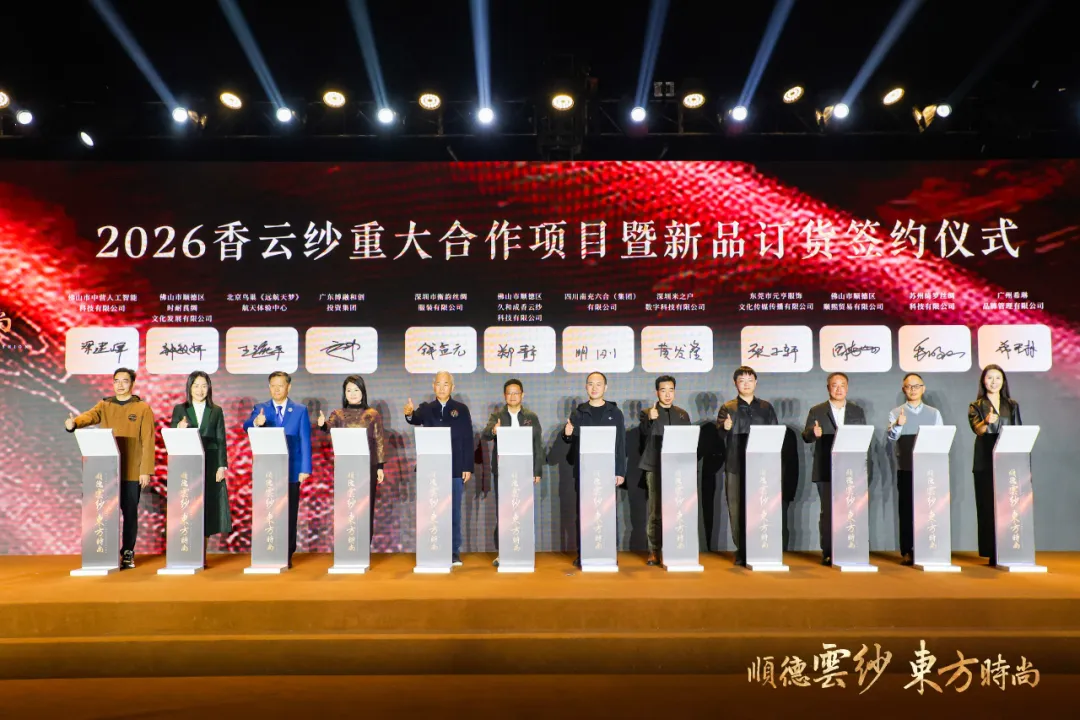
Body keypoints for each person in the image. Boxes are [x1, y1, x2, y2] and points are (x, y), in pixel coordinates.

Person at [64, 367, 155, 570]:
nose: (120, 385)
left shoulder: (142, 408)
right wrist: (73, 423)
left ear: (132, 383)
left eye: (125, 381)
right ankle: (105, 551)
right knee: (105, 512)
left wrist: (145, 470)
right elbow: (89, 417)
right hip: (107, 471)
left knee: (129, 513)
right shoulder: (105, 405)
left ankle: (128, 552)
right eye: (116, 381)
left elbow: (148, 441)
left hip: (132, 471)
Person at [243, 371, 312, 569]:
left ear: (288, 387)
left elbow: (305, 440)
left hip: (291, 470)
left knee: (289, 513)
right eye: (273, 385)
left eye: (280, 385)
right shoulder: (261, 409)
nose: (276, 389)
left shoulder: (299, 410)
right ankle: (267, 550)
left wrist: (305, 468)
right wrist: (256, 423)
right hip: (268, 471)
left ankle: (286, 552)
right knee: (268, 511)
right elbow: (246, 426)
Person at [405, 371, 473, 566]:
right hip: (431, 469)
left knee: (453, 512)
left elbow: (468, 438)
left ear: (452, 387)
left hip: (455, 468)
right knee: (432, 511)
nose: (442, 388)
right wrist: (409, 414)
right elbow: (415, 418)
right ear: (433, 386)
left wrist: (467, 466)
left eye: (446, 384)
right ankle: (431, 549)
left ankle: (453, 552)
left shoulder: (461, 409)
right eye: (438, 384)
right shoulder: (427, 408)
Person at [801, 372, 867, 566]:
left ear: (847, 387)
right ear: (828, 388)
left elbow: (862, 437)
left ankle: (850, 548)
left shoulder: (856, 411)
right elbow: (806, 437)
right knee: (829, 512)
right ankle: (829, 552)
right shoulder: (817, 410)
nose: (838, 389)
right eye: (834, 385)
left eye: (842, 385)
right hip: (825, 468)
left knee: (851, 510)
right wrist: (813, 433)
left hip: (851, 469)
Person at [562, 371, 626, 568]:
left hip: (608, 471)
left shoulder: (615, 413)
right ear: (586, 387)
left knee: (607, 512)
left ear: (605, 387)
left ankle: (609, 553)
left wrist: (620, 471)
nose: (595, 387)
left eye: (599, 384)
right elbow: (570, 440)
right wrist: (567, 434)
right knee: (585, 513)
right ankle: (584, 554)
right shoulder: (579, 412)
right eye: (591, 384)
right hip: (585, 471)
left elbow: (620, 443)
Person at [716, 366, 779, 567]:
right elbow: (719, 436)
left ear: (756, 382)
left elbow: (775, 435)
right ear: (735, 384)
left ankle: (761, 547)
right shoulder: (728, 408)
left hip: (761, 467)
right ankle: (742, 550)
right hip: (735, 465)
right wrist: (724, 428)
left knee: (761, 507)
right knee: (736, 509)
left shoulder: (766, 408)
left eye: (750, 380)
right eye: (741, 381)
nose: (746, 384)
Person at [169, 371, 232, 567]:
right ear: (189, 388)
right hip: (187, 464)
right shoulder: (180, 409)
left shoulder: (216, 410)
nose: (200, 390)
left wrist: (222, 466)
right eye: (196, 385)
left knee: (206, 507)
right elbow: (171, 437)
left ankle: (200, 555)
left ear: (209, 388)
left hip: (210, 463)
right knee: (188, 505)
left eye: (204, 386)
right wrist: (178, 429)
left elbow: (221, 439)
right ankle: (186, 552)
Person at [481, 378, 543, 568]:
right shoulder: (497, 416)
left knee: (523, 511)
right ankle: (504, 552)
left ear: (522, 395)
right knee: (505, 511)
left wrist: (537, 470)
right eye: (509, 393)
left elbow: (537, 445)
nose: (513, 396)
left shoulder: (531, 417)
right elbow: (485, 435)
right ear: (504, 396)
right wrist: (494, 430)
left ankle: (524, 550)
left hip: (525, 470)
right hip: (503, 471)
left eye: (516, 393)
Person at [317, 375, 386, 546]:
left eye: (356, 390)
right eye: (349, 390)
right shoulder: (338, 414)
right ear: (344, 393)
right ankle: (346, 545)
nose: (353, 394)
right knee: (346, 505)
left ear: (363, 392)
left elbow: (379, 440)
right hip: (345, 466)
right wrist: (322, 424)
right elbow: (329, 427)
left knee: (365, 506)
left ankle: (363, 545)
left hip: (367, 467)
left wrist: (380, 466)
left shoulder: (372, 414)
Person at [968, 364, 1022, 566]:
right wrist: (986, 422)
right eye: (989, 378)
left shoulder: (1012, 404)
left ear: (1003, 381)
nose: (993, 382)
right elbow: (978, 430)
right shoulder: (976, 405)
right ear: (983, 381)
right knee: (987, 505)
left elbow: (1018, 430)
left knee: (1009, 504)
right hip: (985, 457)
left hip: (1008, 456)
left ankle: (1010, 547)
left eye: (997, 378)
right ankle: (992, 550)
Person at [886, 373, 943, 566]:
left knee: (929, 509)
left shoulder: (934, 413)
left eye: (916, 386)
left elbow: (940, 438)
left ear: (923, 388)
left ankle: (928, 548)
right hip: (906, 467)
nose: (913, 390)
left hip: (929, 469)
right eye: (909, 387)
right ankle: (908, 550)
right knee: (907, 510)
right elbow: (892, 438)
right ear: (904, 390)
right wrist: (898, 425)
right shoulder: (896, 412)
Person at [637, 375, 690, 567]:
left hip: (678, 468)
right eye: (663, 390)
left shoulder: (682, 414)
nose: (667, 394)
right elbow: (643, 435)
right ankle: (654, 551)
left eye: (671, 390)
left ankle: (677, 548)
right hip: (655, 466)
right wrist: (650, 420)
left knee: (678, 509)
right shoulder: (647, 413)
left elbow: (688, 440)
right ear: (656, 392)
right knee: (656, 511)